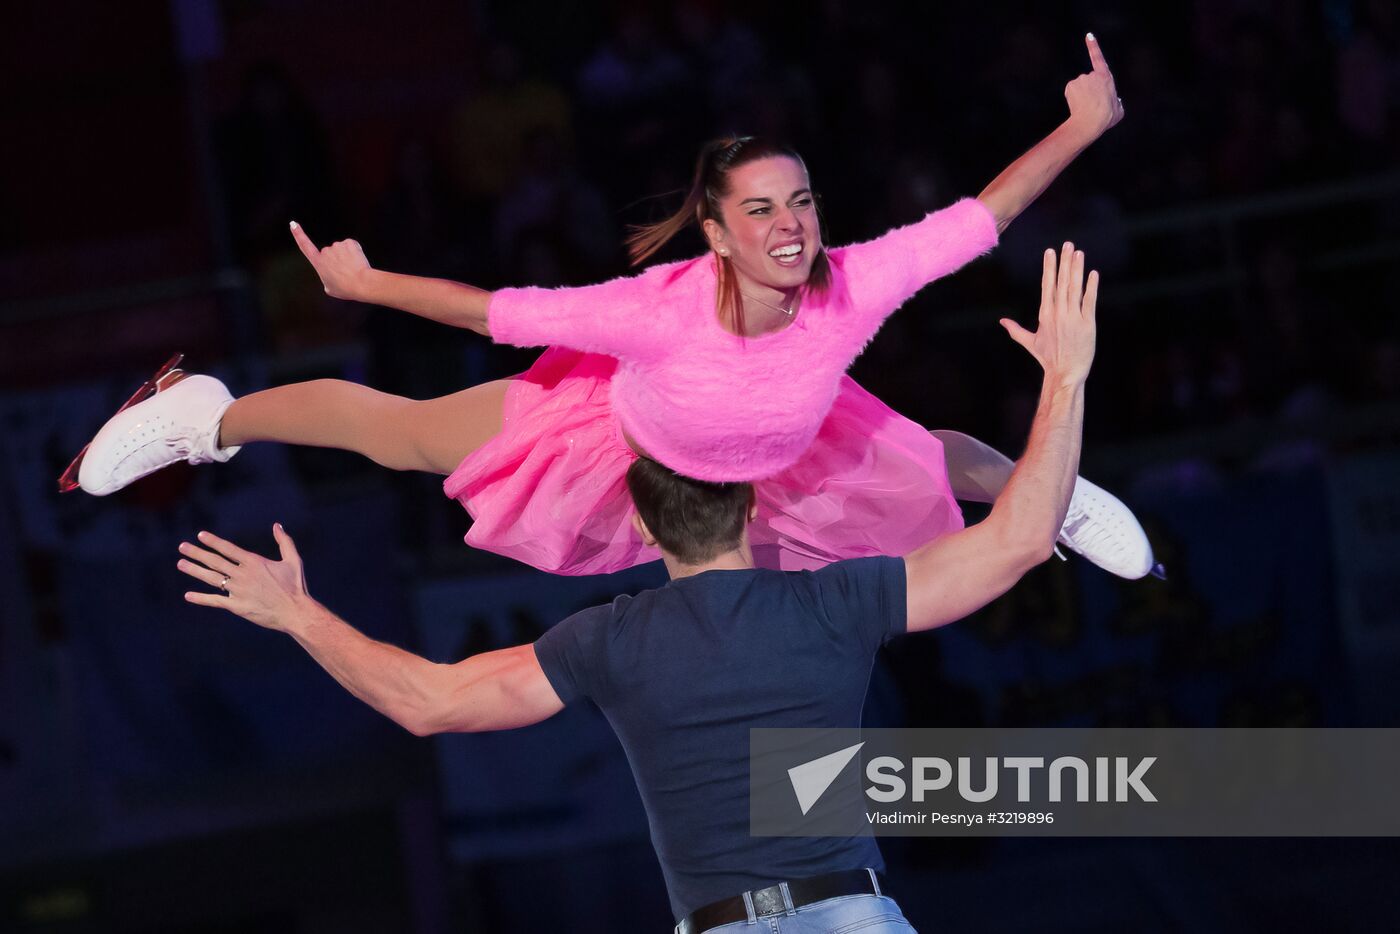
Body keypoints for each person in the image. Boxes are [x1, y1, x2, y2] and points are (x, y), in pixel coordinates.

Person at [176, 244, 1102, 932]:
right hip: (850, 919)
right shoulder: (835, 601)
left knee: (407, 431)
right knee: (911, 459)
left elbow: (429, 702)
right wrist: (1063, 381)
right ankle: (208, 419)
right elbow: (1010, 534)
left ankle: (210, 418)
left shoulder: (612, 642)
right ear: (751, 504)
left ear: (641, 525)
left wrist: (294, 612)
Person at [72, 36, 1155, 580]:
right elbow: (491, 310)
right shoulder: (659, 310)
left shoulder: (853, 285)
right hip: (618, 437)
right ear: (718, 230)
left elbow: (981, 215)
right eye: (761, 208)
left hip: (782, 446)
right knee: (400, 434)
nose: (789, 225)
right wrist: (366, 286)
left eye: (803, 202)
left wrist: (1085, 125)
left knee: (923, 458)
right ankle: (203, 416)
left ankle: (1043, 495)